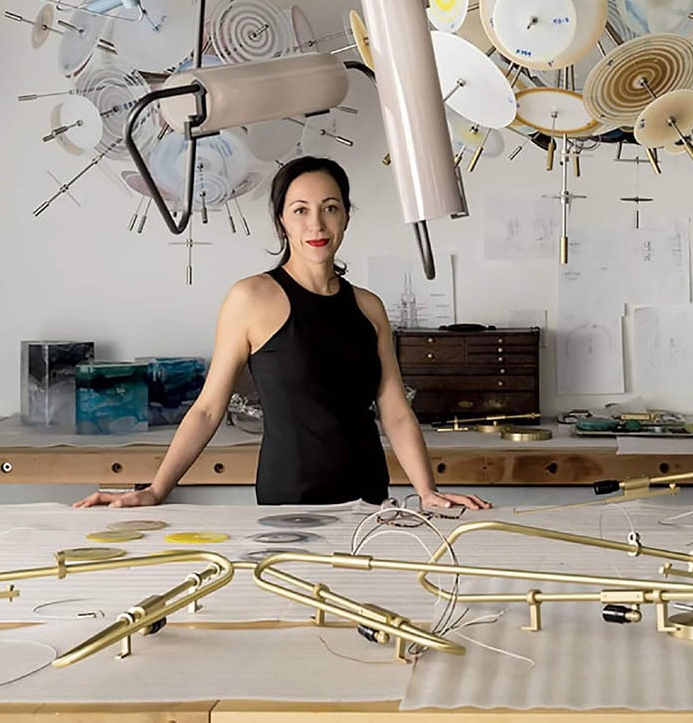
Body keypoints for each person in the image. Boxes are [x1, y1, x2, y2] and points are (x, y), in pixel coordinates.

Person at [75, 156, 490, 513]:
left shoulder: (369, 307)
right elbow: (207, 410)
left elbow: (396, 412)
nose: (317, 223)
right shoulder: (251, 297)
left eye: (330, 208)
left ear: (346, 215)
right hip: (290, 498)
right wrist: (156, 489)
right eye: (300, 210)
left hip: (368, 498)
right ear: (281, 221)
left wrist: (426, 491)